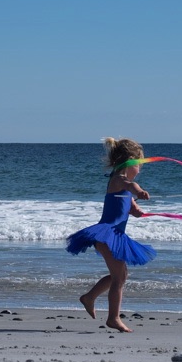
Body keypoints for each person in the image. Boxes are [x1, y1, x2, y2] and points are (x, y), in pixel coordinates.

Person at [66, 137, 155, 332]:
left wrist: (138, 210)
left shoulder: (123, 186)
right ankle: (113, 318)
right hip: (107, 235)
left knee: (120, 275)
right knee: (119, 277)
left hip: (113, 236)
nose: (139, 169)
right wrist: (140, 191)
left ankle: (89, 297)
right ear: (130, 162)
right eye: (139, 165)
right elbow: (132, 187)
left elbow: (132, 208)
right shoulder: (119, 180)